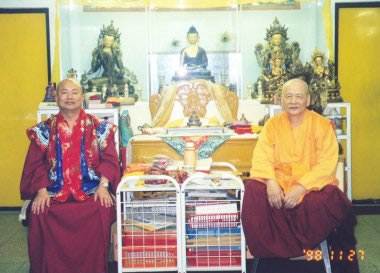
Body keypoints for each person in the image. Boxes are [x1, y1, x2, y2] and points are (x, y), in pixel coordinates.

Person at [242, 79, 359, 273]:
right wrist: (270, 182)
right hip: (278, 191)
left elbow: (327, 163)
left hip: (310, 189)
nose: (293, 101)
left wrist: (302, 187)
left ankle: (299, 247)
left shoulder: (322, 125)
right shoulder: (272, 125)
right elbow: (262, 156)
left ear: (308, 99)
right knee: (253, 189)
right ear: (281, 101)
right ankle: (270, 249)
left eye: (298, 96)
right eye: (288, 96)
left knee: (332, 197)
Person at [20, 78, 121, 273]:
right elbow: (35, 164)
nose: (69, 97)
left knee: (103, 207)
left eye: (74, 92)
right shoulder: (43, 130)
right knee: (39, 211)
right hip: (53, 192)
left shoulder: (100, 127)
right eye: (64, 92)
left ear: (82, 97)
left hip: (91, 190)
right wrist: (41, 190)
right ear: (56, 97)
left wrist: (103, 186)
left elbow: (110, 160)